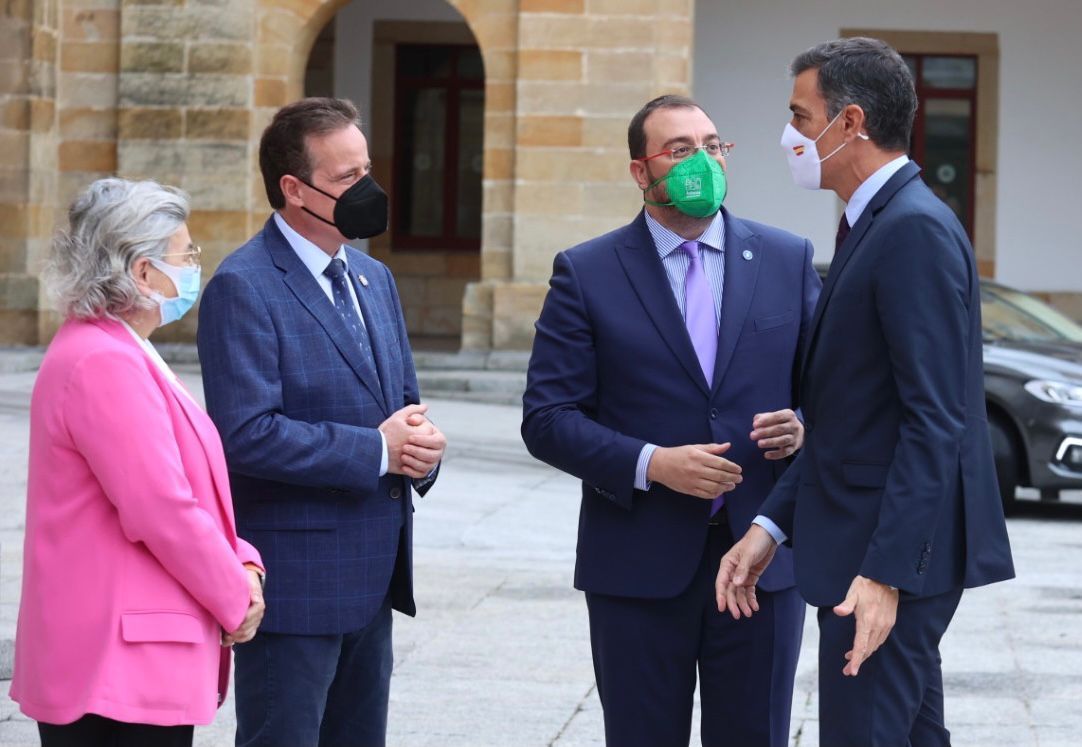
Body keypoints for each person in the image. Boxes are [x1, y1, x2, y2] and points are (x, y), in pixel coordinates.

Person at [715, 37, 1015, 747]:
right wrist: (770, 525)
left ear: (848, 123)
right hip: (866, 547)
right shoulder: (872, 222)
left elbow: (935, 419)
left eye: (800, 114)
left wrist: (885, 575)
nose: (788, 134)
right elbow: (851, 418)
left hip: (886, 562)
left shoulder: (912, 230)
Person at [521, 95, 821, 747]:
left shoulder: (785, 257)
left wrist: (802, 426)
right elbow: (546, 418)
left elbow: (833, 395)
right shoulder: (588, 271)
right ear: (640, 172)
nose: (703, 161)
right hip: (637, 562)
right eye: (681, 149)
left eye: (713, 145)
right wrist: (651, 462)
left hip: (762, 558)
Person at [197, 97, 446, 747]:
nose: (366, 190)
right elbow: (246, 432)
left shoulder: (374, 278)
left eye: (367, 169)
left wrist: (423, 447)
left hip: (374, 582)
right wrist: (376, 450)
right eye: (346, 178)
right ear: (293, 188)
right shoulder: (244, 284)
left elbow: (404, 406)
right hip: (298, 587)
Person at [11, 178, 265, 747]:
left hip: (125, 652)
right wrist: (234, 595)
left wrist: (243, 562)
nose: (194, 267)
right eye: (186, 255)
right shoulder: (104, 359)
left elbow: (189, 484)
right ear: (143, 272)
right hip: (116, 659)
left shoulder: (118, 348)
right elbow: (160, 508)